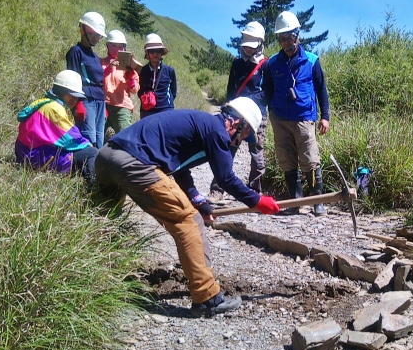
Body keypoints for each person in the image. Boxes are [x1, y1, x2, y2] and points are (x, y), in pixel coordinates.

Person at [94, 97, 280, 317]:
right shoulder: (217, 131)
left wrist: (198, 201)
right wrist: (257, 201)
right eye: (245, 135)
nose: (239, 142)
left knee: (105, 221)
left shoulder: (201, 124)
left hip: (106, 157)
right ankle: (207, 298)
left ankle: (96, 283)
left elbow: (178, 167)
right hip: (134, 163)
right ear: (238, 123)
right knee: (189, 222)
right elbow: (225, 178)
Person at [262, 11, 331, 215]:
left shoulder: (312, 61)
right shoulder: (272, 63)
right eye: (282, 38)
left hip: (304, 118)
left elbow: (322, 90)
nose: (286, 42)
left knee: (310, 160)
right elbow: (267, 91)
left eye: (289, 37)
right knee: (286, 160)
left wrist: (325, 117)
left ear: (297, 35)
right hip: (280, 119)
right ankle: (295, 202)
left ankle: (317, 201)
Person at [208, 21, 268, 200]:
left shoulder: (265, 65)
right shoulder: (237, 63)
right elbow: (231, 89)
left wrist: (248, 102)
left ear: (259, 44)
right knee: (227, 148)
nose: (248, 49)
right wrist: (231, 107)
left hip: (257, 115)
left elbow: (268, 92)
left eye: (251, 46)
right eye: (246, 46)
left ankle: (254, 190)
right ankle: (217, 189)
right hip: (235, 114)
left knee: (256, 151)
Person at [14, 70, 97, 184]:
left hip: (25, 153)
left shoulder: (45, 102)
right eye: (71, 94)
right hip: (34, 157)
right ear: (61, 91)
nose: (74, 99)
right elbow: (71, 139)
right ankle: (93, 187)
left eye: (76, 96)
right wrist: (88, 144)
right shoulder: (55, 108)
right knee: (92, 152)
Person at [66, 11, 107, 148]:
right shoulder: (75, 51)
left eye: (98, 35)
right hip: (86, 100)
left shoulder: (95, 56)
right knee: (88, 139)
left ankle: (97, 162)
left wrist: (104, 106)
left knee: (99, 139)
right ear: (82, 30)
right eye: (93, 34)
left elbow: (99, 81)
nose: (96, 38)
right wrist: (78, 104)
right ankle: (85, 163)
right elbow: (72, 79)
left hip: (100, 101)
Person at [101, 29, 140, 137]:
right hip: (103, 105)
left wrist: (131, 80)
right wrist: (109, 68)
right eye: (114, 45)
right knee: (101, 136)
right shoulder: (101, 62)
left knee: (125, 137)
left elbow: (135, 90)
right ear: (108, 45)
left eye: (120, 46)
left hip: (122, 107)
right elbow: (97, 80)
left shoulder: (128, 67)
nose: (117, 49)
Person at [137, 33, 177, 119]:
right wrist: (146, 99)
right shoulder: (143, 71)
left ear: (161, 53)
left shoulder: (170, 71)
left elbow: (173, 92)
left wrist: (166, 103)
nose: (155, 54)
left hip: (165, 110)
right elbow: (139, 90)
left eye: (158, 51)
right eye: (152, 51)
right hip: (147, 111)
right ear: (147, 53)